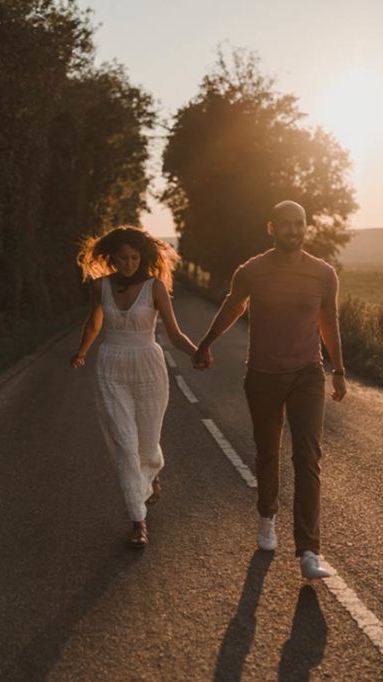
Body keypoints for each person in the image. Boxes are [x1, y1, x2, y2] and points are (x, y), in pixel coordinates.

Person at [192, 200, 347, 579]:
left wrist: (339, 369)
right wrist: (205, 343)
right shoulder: (252, 271)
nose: (293, 231)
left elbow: (329, 320)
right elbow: (232, 307)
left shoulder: (323, 273)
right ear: (271, 228)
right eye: (286, 225)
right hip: (262, 376)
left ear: (305, 228)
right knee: (267, 453)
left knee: (308, 458)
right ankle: (266, 516)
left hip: (307, 374)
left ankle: (309, 551)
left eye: (299, 225)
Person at [71, 227, 198, 548]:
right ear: (111, 257)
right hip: (111, 365)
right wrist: (82, 352)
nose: (128, 263)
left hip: (149, 367)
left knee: (147, 443)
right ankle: (137, 522)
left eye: (134, 257)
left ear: (143, 258)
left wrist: (197, 353)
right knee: (126, 446)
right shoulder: (100, 287)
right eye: (123, 257)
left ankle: (151, 475)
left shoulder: (155, 287)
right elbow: (94, 323)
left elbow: (172, 332)